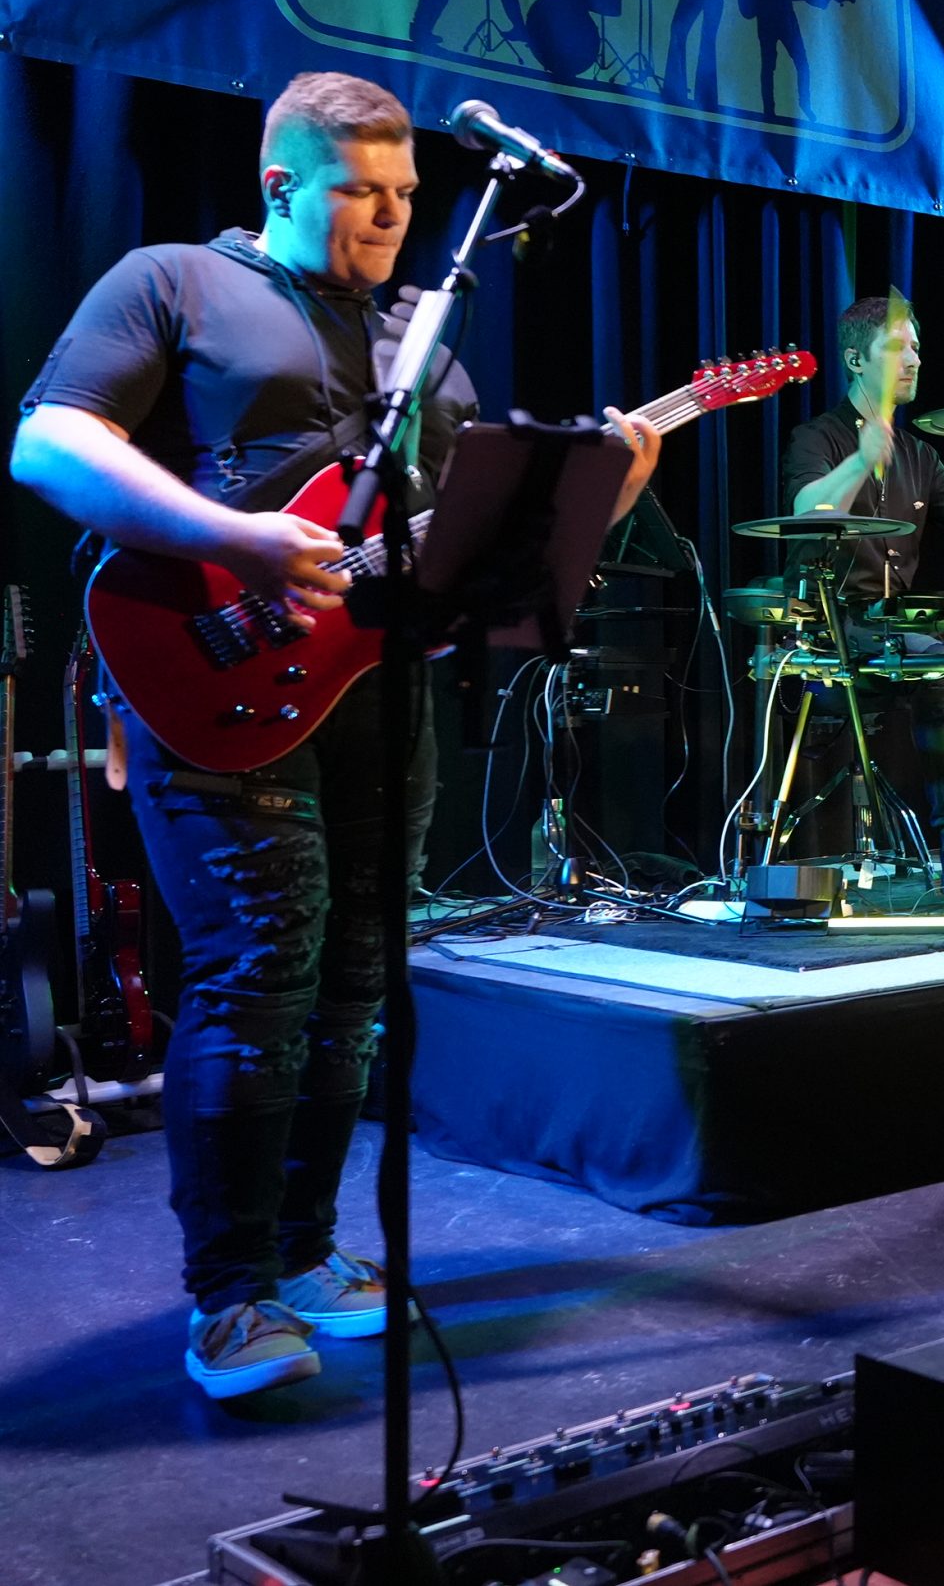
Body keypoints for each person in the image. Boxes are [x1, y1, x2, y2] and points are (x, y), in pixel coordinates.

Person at [10, 73, 662, 1399]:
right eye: (362, 191)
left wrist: (598, 492)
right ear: (281, 184)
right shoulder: (177, 282)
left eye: (407, 194)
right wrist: (235, 536)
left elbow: (466, 555)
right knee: (258, 967)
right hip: (205, 669)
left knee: (355, 981)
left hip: (373, 687)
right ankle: (230, 1296)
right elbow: (50, 443)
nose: (392, 217)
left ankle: (304, 1253)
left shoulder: (426, 343)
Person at [779, 292, 944, 874]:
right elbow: (806, 510)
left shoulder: (919, 454)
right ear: (855, 360)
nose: (914, 359)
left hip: (900, 622)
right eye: (898, 348)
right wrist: (861, 459)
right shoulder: (818, 438)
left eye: (917, 348)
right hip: (834, 621)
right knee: (935, 662)